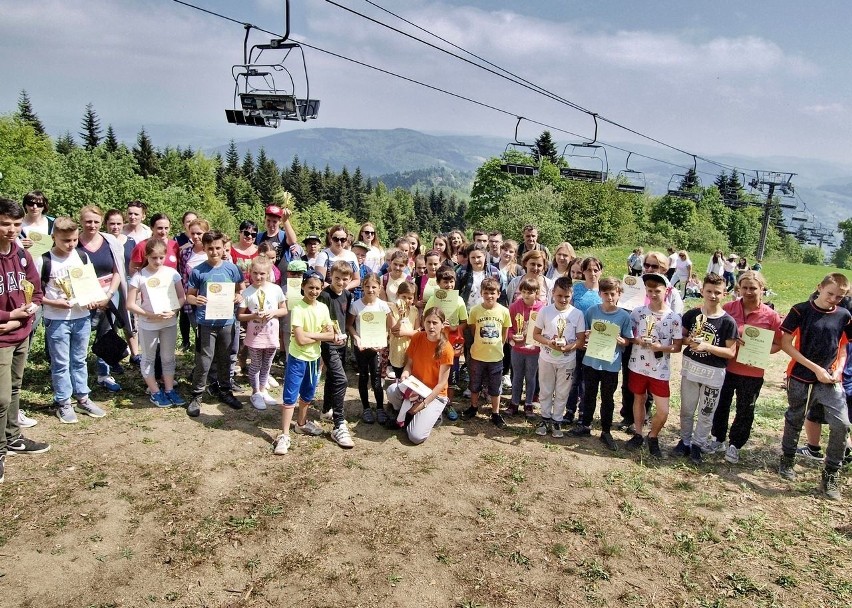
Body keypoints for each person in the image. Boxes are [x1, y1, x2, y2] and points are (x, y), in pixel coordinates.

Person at [778, 273, 851, 500]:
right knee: (795, 417)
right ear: (819, 287)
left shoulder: (844, 315)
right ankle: (787, 458)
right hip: (800, 374)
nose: (833, 300)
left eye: (839, 297)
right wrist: (815, 368)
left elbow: (844, 346)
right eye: (830, 294)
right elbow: (785, 344)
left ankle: (831, 472)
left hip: (829, 378)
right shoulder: (800, 310)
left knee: (841, 423)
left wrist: (836, 370)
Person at [709, 271, 783, 464]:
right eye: (745, 288)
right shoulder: (728, 308)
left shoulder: (771, 316)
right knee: (721, 404)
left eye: (753, 288)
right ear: (738, 288)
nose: (749, 292)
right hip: (726, 367)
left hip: (752, 371)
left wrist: (759, 350)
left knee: (745, 409)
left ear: (762, 289)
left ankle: (735, 444)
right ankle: (718, 439)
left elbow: (778, 344)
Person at [40, 217, 107, 424]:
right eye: (65, 241)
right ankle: (63, 402)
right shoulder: (44, 260)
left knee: (79, 360)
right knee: (60, 363)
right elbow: (35, 295)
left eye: (75, 240)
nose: (71, 245)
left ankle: (83, 398)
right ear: (54, 238)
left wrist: (92, 300)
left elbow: (89, 285)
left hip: (81, 317)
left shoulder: (81, 256)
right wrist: (54, 303)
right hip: (57, 319)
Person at [0, 198, 49, 476]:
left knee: (16, 387)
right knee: (1, 398)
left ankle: (12, 437)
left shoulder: (21, 255)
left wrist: (30, 308)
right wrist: (9, 318)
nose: (11, 230)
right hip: (3, 337)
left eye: (16, 225)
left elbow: (36, 290)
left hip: (21, 333)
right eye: (5, 224)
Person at [672, 273, 738, 464]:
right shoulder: (693, 315)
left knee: (706, 413)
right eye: (709, 291)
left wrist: (707, 346)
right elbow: (681, 338)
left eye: (717, 292)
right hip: (691, 369)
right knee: (686, 409)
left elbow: (730, 352)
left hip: (713, 374)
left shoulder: (727, 321)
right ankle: (684, 441)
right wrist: (689, 341)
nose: (713, 295)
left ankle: (698, 445)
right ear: (702, 291)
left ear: (724, 293)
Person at [274, 272, 341, 455]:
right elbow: (301, 341)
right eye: (310, 287)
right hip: (298, 358)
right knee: (290, 396)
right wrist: (319, 336)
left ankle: (301, 424)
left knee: (308, 394)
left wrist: (311, 335)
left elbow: (331, 335)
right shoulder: (298, 308)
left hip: (314, 358)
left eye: (318, 288)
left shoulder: (323, 308)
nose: (314, 291)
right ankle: (284, 434)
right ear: (303, 287)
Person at [185, 230, 245, 417]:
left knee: (226, 358)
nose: (214, 251)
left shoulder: (232, 268)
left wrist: (237, 296)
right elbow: (189, 296)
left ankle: (225, 391)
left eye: (218, 248)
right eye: (210, 248)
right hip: (206, 322)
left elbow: (241, 289)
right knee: (204, 360)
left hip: (227, 321)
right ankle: (197, 395)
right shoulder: (198, 271)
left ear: (223, 248)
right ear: (204, 248)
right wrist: (196, 300)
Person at [572, 277, 633, 451]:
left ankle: (606, 430)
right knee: (589, 394)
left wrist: (623, 341)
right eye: (605, 293)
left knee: (608, 398)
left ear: (619, 294)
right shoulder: (592, 311)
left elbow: (628, 339)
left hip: (611, 364)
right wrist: (588, 335)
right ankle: (585, 425)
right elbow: (584, 334)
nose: (609, 297)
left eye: (613, 294)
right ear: (600, 294)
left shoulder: (624, 316)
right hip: (591, 360)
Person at [625, 272, 682, 456]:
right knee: (639, 399)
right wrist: (638, 340)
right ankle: (639, 433)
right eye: (649, 290)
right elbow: (629, 336)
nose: (653, 294)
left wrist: (661, 347)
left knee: (663, 410)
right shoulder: (638, 312)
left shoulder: (673, 318)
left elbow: (677, 347)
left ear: (666, 290)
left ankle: (653, 435)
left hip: (660, 370)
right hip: (638, 365)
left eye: (657, 290)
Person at [126, 239, 187, 407]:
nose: (158, 261)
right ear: (146, 256)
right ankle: (154, 391)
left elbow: (182, 297)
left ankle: (169, 389)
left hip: (169, 322)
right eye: (154, 258)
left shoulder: (172, 273)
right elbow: (130, 304)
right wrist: (149, 314)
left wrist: (174, 311)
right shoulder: (139, 277)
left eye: (161, 257)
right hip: (148, 324)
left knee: (168, 357)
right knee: (148, 358)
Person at [385, 307, 454, 444]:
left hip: (435, 395)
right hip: (416, 388)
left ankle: (427, 414)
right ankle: (408, 414)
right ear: (423, 322)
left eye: (435, 323)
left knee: (416, 437)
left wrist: (423, 404)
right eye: (428, 322)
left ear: (442, 324)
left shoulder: (446, 349)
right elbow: (409, 364)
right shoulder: (417, 337)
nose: (431, 326)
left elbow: (441, 384)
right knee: (392, 390)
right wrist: (405, 374)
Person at [78, 205, 128, 392]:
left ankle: (104, 374)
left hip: (108, 295)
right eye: (88, 221)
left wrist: (108, 296)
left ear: (101, 223)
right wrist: (85, 298)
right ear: (81, 221)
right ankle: (78, 378)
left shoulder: (110, 242)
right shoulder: (74, 242)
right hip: (83, 299)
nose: (92, 225)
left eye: (96, 221)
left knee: (106, 336)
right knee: (81, 337)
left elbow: (118, 271)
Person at [533, 276, 585, 438]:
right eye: (559, 295)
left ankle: (557, 420)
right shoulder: (545, 311)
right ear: (553, 293)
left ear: (572, 295)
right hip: (547, 358)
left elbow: (581, 339)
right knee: (546, 389)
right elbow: (536, 334)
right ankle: (544, 417)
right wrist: (549, 343)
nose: (563, 299)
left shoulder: (577, 314)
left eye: (567, 296)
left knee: (563, 391)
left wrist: (567, 347)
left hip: (567, 360)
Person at [237, 255, 287, 411]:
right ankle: (255, 392)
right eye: (255, 273)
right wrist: (253, 315)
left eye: (262, 274)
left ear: (268, 273)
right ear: (250, 273)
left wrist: (273, 312)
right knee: (256, 364)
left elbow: (284, 310)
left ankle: (263, 389)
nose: (258, 277)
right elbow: (239, 315)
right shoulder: (247, 293)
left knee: (267, 364)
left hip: (271, 334)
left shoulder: (276, 289)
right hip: (255, 335)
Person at [460, 277, 511, 428]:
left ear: (498, 294)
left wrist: (498, 346)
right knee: (475, 383)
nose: (489, 296)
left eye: (492, 292)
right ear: (481, 293)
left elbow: (504, 332)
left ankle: (495, 413)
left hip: (496, 357)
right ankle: (473, 407)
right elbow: (473, 328)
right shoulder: (475, 310)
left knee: (495, 387)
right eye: (486, 292)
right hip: (477, 355)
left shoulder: (504, 311)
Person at [317, 261, 354, 444]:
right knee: (341, 379)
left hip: (341, 343)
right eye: (337, 278)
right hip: (328, 344)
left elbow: (346, 320)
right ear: (330, 276)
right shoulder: (324, 295)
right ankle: (339, 422)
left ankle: (326, 410)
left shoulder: (348, 295)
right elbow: (320, 320)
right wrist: (330, 336)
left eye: (344, 279)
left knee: (332, 377)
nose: (340, 282)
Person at [348, 273, 391, 425]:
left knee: (377, 378)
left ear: (379, 288)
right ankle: (366, 408)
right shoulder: (356, 305)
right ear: (362, 287)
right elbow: (349, 325)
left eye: (374, 287)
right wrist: (357, 338)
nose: (370, 290)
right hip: (361, 347)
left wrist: (383, 340)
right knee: (363, 376)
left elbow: (388, 327)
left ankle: (380, 408)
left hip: (376, 349)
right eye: (367, 286)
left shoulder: (383, 306)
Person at [424, 266, 467, 413]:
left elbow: (464, 321)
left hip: (452, 344)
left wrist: (456, 328)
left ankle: (448, 404)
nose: (449, 285)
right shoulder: (432, 299)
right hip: (434, 342)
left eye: (451, 282)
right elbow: (425, 318)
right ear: (438, 283)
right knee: (433, 372)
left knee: (451, 375)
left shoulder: (460, 300)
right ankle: (430, 403)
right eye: (445, 282)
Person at [508, 277, 544, 419]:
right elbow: (508, 327)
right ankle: (514, 403)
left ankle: (528, 404)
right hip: (517, 349)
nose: (526, 295)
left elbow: (545, 328)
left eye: (530, 292)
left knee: (530, 377)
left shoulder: (542, 308)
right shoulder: (515, 306)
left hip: (534, 350)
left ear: (536, 292)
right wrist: (511, 336)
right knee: (517, 376)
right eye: (523, 292)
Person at [315, 224, 360, 292]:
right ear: (330, 239)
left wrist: (345, 288)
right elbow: (319, 280)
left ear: (347, 239)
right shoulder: (323, 256)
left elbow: (357, 280)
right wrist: (335, 289)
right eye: (336, 239)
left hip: (346, 295)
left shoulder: (352, 255)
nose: (339, 242)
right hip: (328, 295)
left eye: (343, 239)